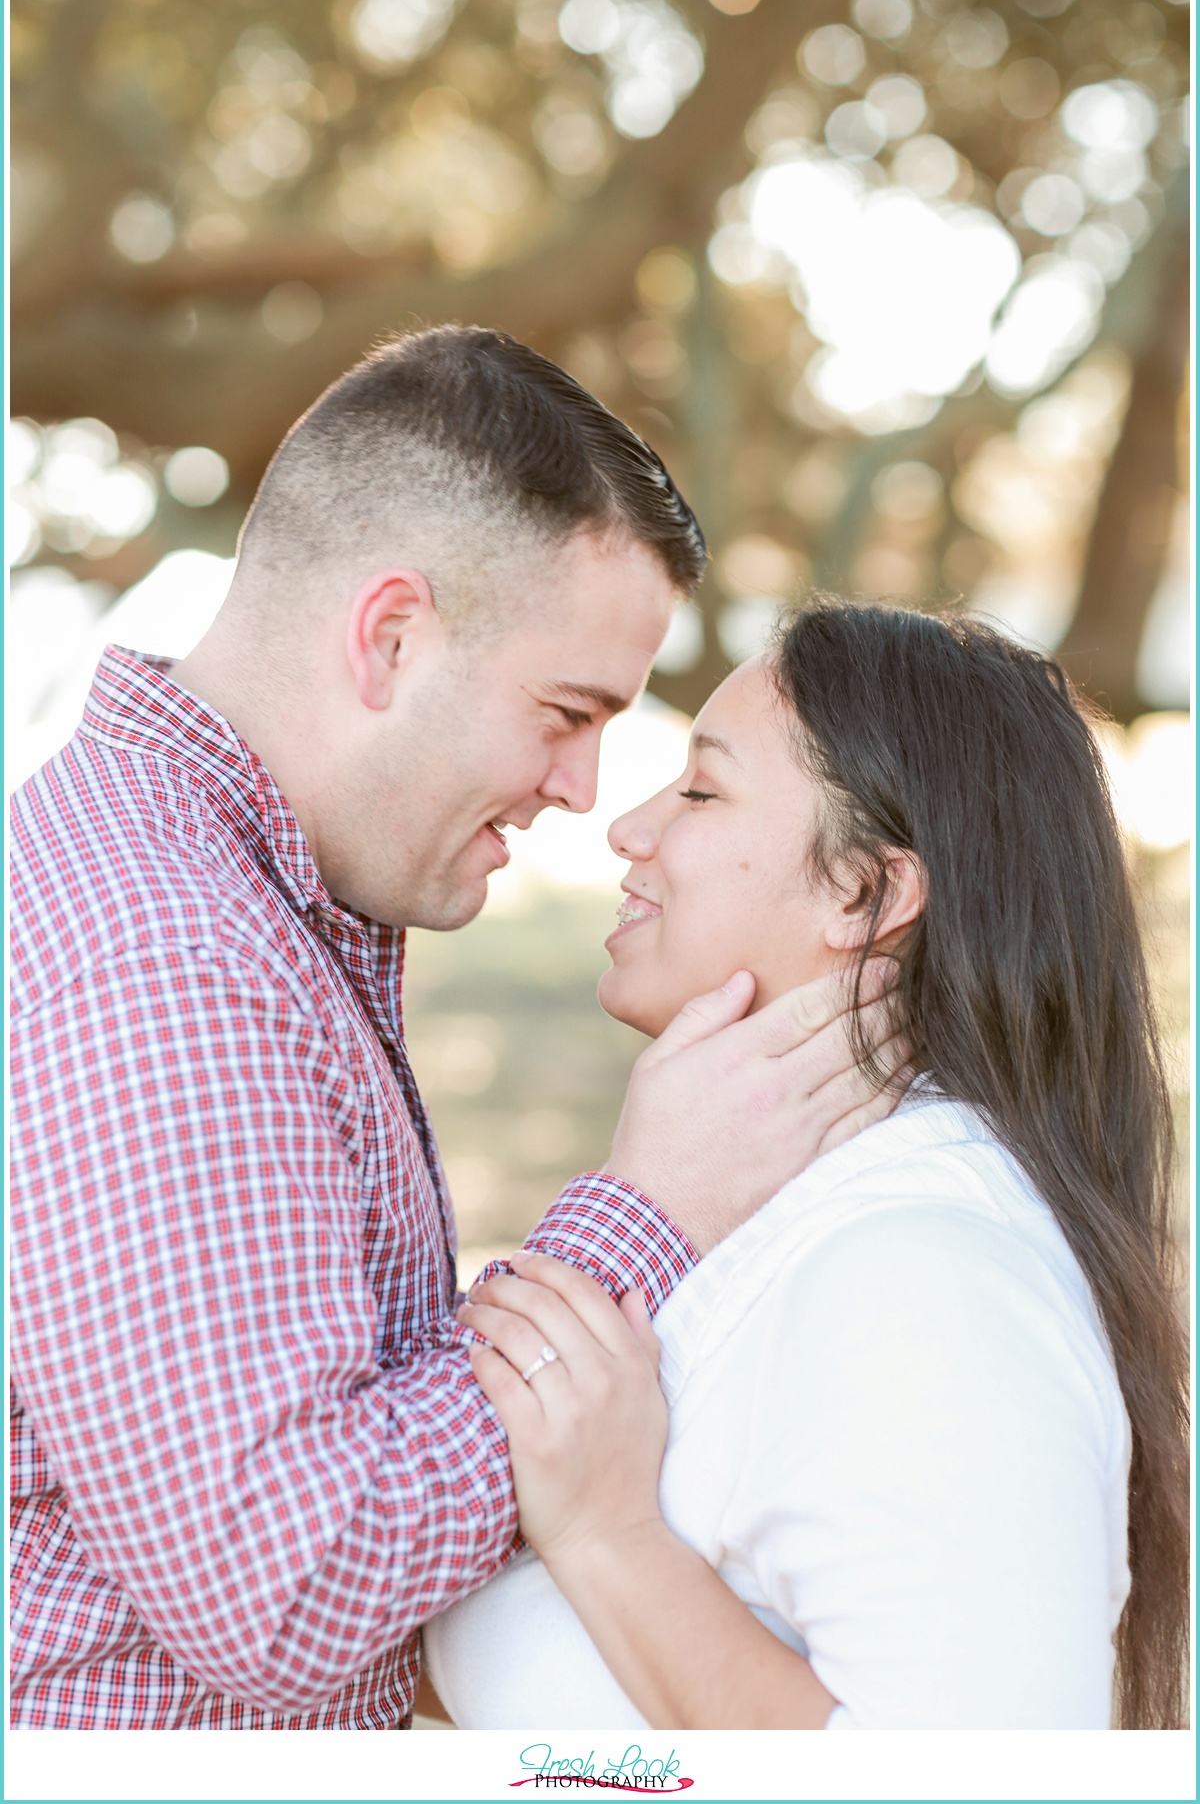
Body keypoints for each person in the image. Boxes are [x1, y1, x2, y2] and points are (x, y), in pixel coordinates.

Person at [9, 331, 901, 1730]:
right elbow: (286, 1584)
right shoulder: (168, 959)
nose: (585, 789)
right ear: (390, 638)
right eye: (565, 713)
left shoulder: (226, 905)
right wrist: (645, 1215)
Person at [425, 599, 1189, 1731]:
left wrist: (607, 1531)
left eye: (700, 790)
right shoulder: (798, 1214)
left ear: (865, 893)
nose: (626, 827)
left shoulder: (929, 1275)